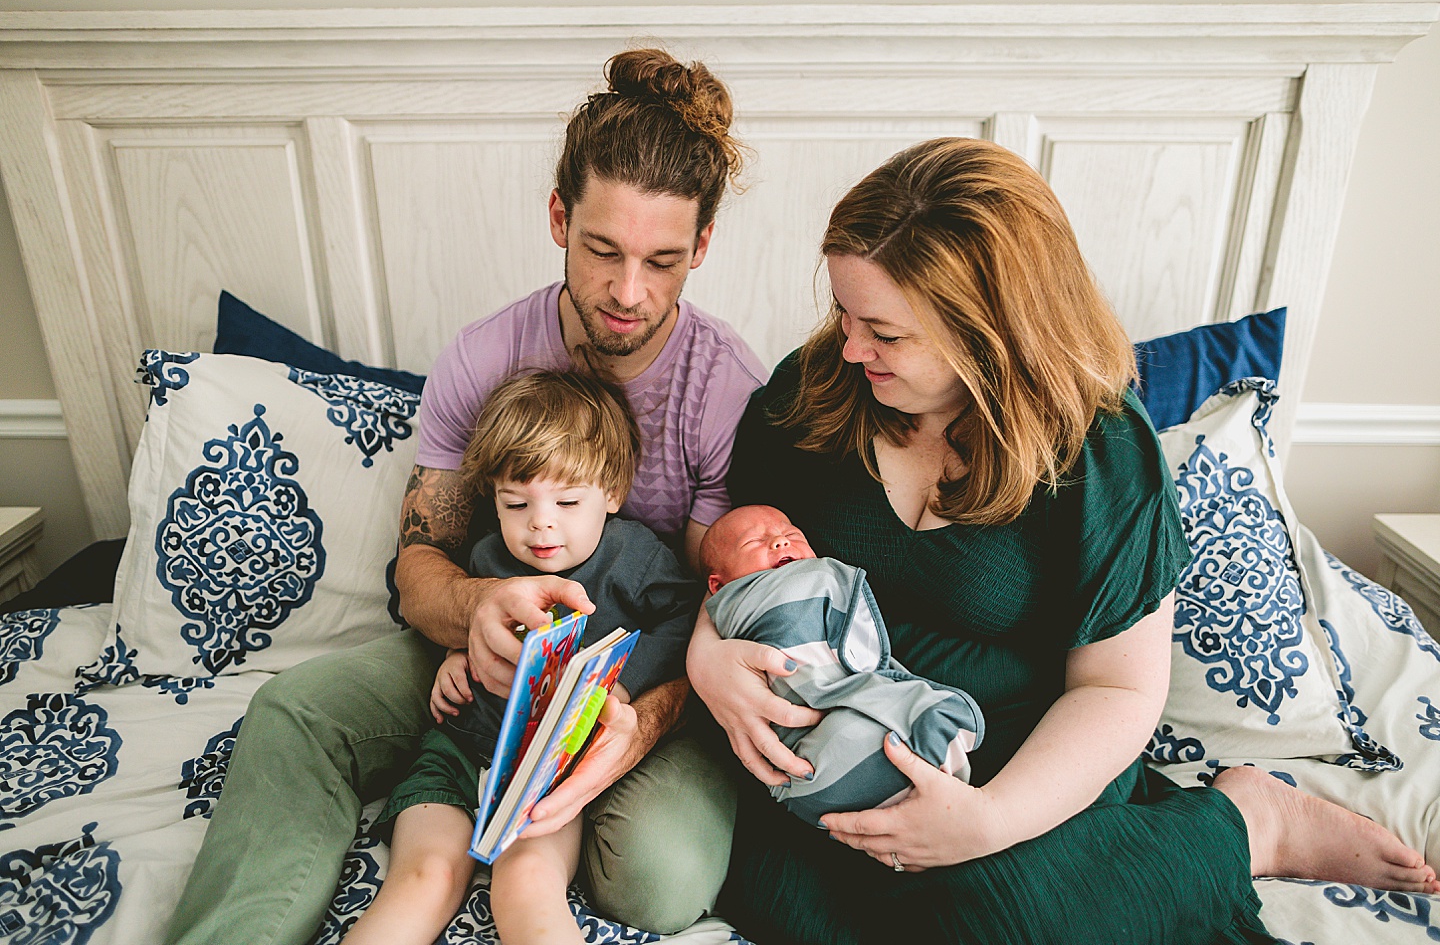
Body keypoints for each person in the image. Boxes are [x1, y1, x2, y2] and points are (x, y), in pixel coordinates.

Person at [686, 137, 1440, 944]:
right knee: (792, 903)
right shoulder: (820, 392)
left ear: (988, 331)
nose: (849, 346)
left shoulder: (1100, 447)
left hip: (1019, 762)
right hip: (838, 747)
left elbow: (1119, 690)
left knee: (999, 919)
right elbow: (744, 558)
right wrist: (708, 654)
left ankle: (1247, 823)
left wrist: (985, 822)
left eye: (885, 332)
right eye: (844, 312)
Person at [167, 48, 766, 945]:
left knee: (657, 881)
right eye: (602, 250)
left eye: (663, 261)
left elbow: (709, 612)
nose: (628, 292)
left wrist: (634, 724)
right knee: (293, 710)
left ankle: (538, 829)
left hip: (637, 676)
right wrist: (478, 609)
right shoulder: (486, 360)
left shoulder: (726, 392)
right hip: (482, 658)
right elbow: (420, 569)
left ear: (703, 248)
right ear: (559, 217)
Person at [344, 370, 699, 945]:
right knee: (423, 878)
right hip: (459, 751)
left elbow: (683, 621)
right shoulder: (487, 556)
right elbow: (464, 618)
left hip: (548, 772)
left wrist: (626, 684)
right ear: (495, 500)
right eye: (517, 502)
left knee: (528, 883)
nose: (541, 522)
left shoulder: (634, 556)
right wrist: (456, 653)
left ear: (611, 492)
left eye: (566, 500)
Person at [700, 504, 982, 826]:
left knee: (896, 729)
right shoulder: (748, 601)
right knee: (907, 724)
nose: (780, 542)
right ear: (718, 588)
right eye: (753, 542)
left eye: (792, 535)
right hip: (803, 742)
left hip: (985, 790)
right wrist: (703, 653)